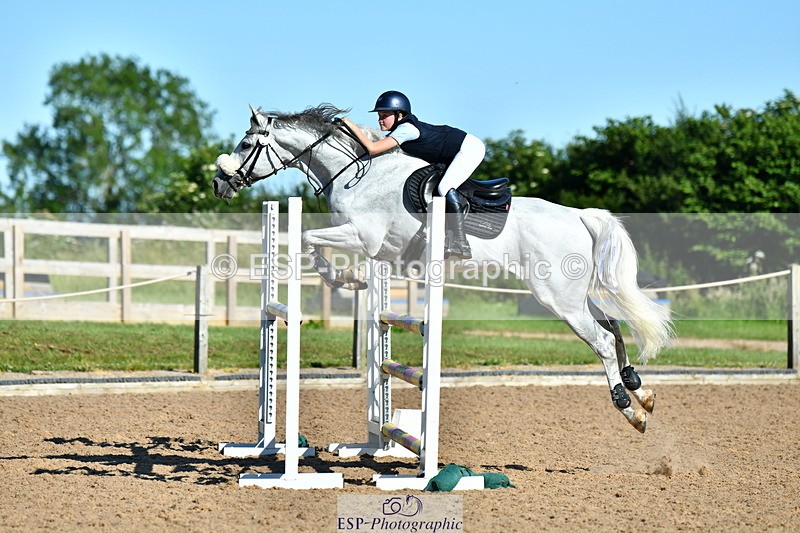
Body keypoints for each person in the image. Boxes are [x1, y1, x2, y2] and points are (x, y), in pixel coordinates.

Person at [342, 90, 485, 260]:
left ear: (400, 115)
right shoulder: (401, 130)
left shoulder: (406, 130)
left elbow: (373, 148)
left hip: (469, 148)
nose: (380, 119)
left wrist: (349, 124)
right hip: (453, 153)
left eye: (385, 115)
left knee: (444, 188)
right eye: (379, 115)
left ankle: (461, 243)